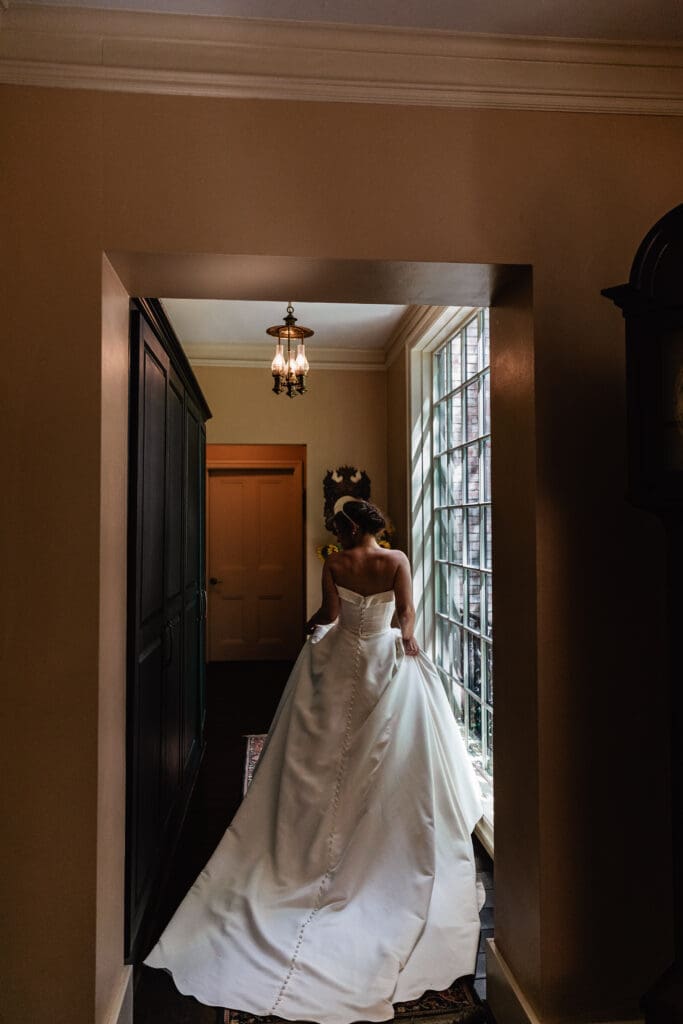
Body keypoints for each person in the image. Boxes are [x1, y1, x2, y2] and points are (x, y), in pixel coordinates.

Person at [144, 499, 484, 1024]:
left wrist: (311, 627)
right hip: (381, 655)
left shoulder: (334, 563)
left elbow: (328, 616)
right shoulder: (395, 560)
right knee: (387, 751)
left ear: (346, 532)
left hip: (343, 650)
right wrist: (406, 638)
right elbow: (407, 613)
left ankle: (306, 840)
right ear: (379, 527)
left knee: (319, 744)